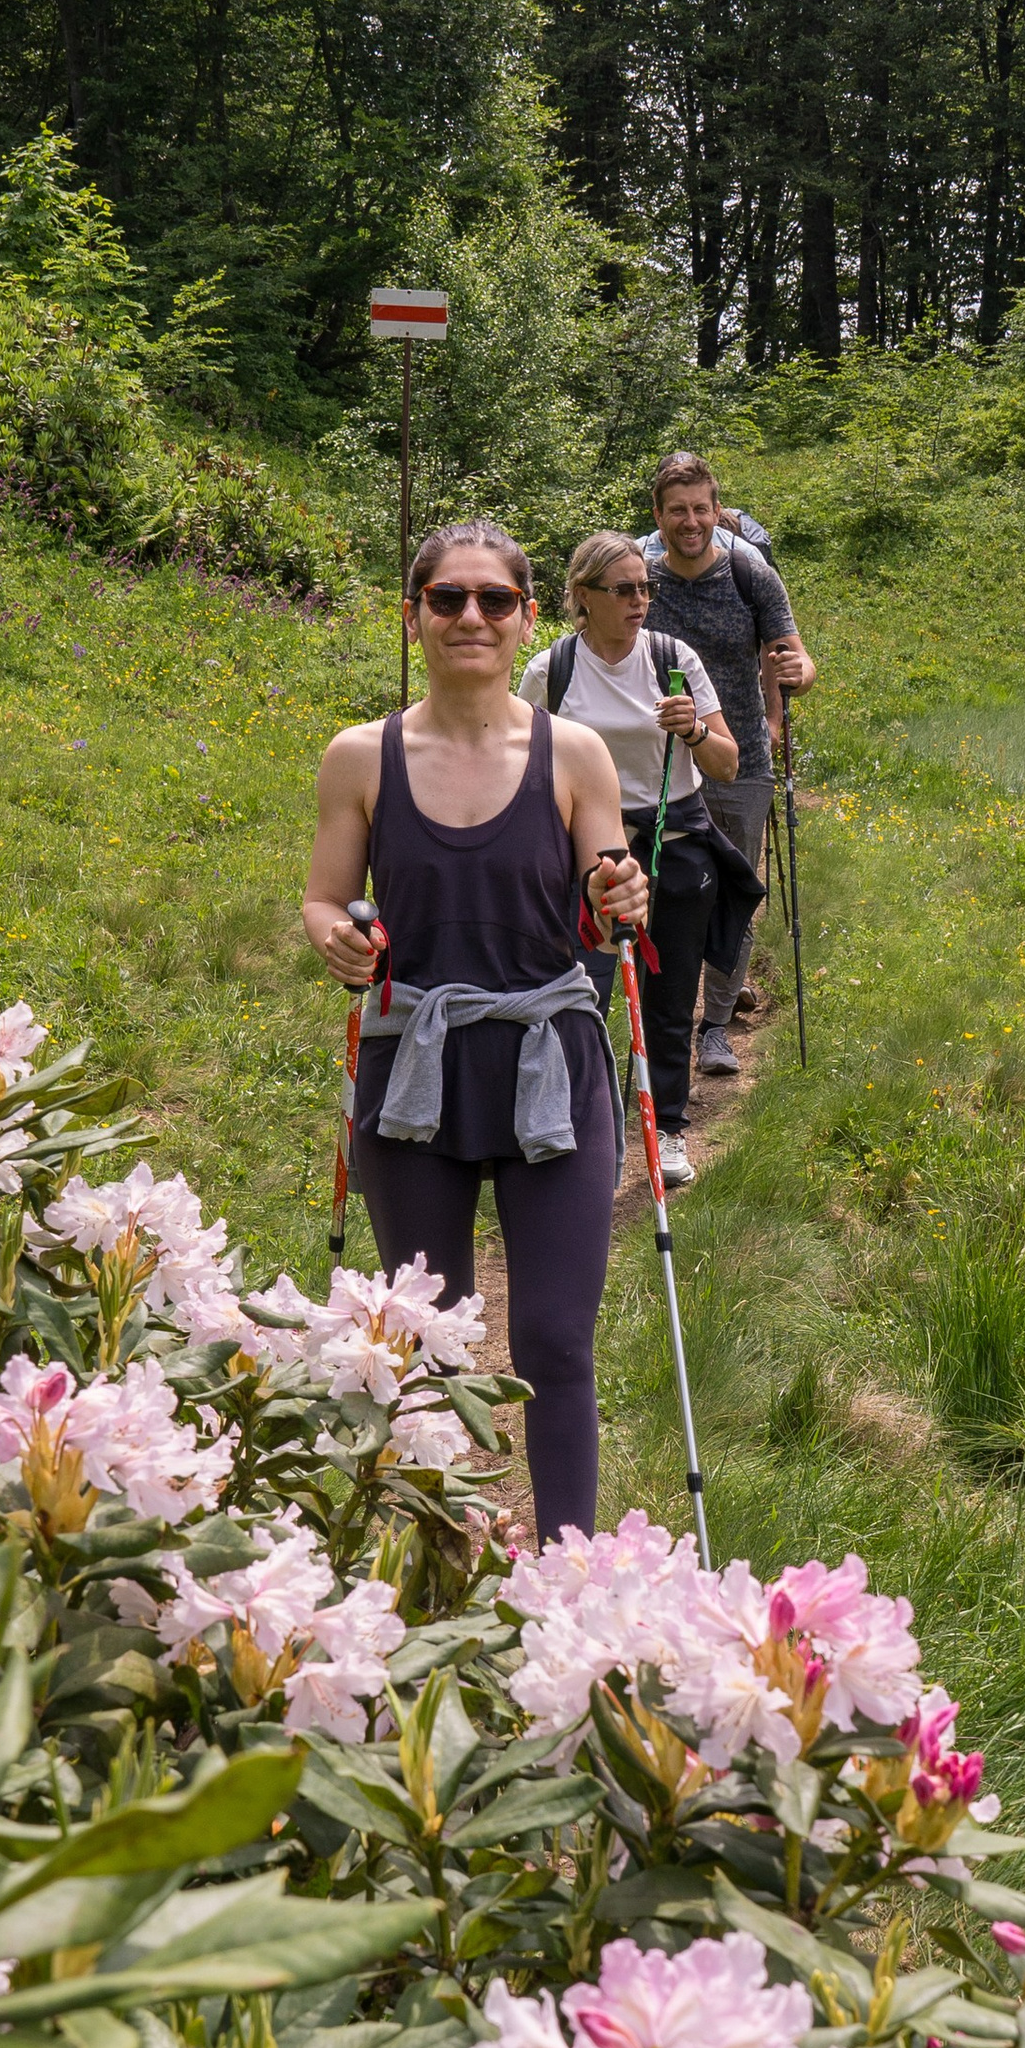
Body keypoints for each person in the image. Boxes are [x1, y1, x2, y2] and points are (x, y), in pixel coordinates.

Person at [302, 520, 648, 1547]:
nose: (470, 617)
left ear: (527, 617)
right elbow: (324, 900)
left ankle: (568, 1569)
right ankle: (436, 1557)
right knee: (426, 1337)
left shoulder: (572, 752)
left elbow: (612, 881)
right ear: (413, 615)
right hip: (413, 1069)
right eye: (446, 598)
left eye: (494, 600)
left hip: (551, 1061)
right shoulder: (360, 756)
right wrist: (337, 938)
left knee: (552, 1338)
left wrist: (617, 885)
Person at [520, 531, 751, 1191]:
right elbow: (525, 765)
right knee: (581, 995)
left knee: (670, 1001)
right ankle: (581, 1131)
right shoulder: (552, 669)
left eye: (645, 588)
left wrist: (695, 729)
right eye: (623, 589)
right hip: (588, 862)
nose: (640, 600)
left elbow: (727, 762)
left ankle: (667, 1132)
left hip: (675, 847)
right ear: (583, 596)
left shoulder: (674, 659)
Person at [642, 452, 814, 1079]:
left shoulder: (750, 572)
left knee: (736, 893)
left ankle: (714, 1026)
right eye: (677, 511)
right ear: (658, 516)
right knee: (663, 890)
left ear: (719, 512)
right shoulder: (641, 578)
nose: (690, 521)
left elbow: (793, 655)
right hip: (657, 764)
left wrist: (798, 674)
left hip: (740, 758)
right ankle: (661, 1015)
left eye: (701, 509)